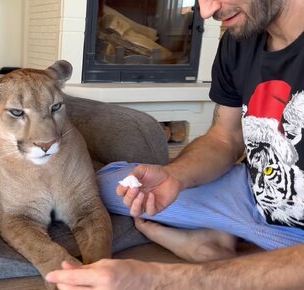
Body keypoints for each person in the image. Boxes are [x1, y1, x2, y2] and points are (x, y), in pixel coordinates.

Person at [46, 0, 304, 288]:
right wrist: (176, 176)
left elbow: (159, 280)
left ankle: (224, 250)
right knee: (107, 184)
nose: (207, 12)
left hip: (296, 231)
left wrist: (158, 280)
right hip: (248, 193)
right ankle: (224, 240)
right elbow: (224, 137)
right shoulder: (240, 41)